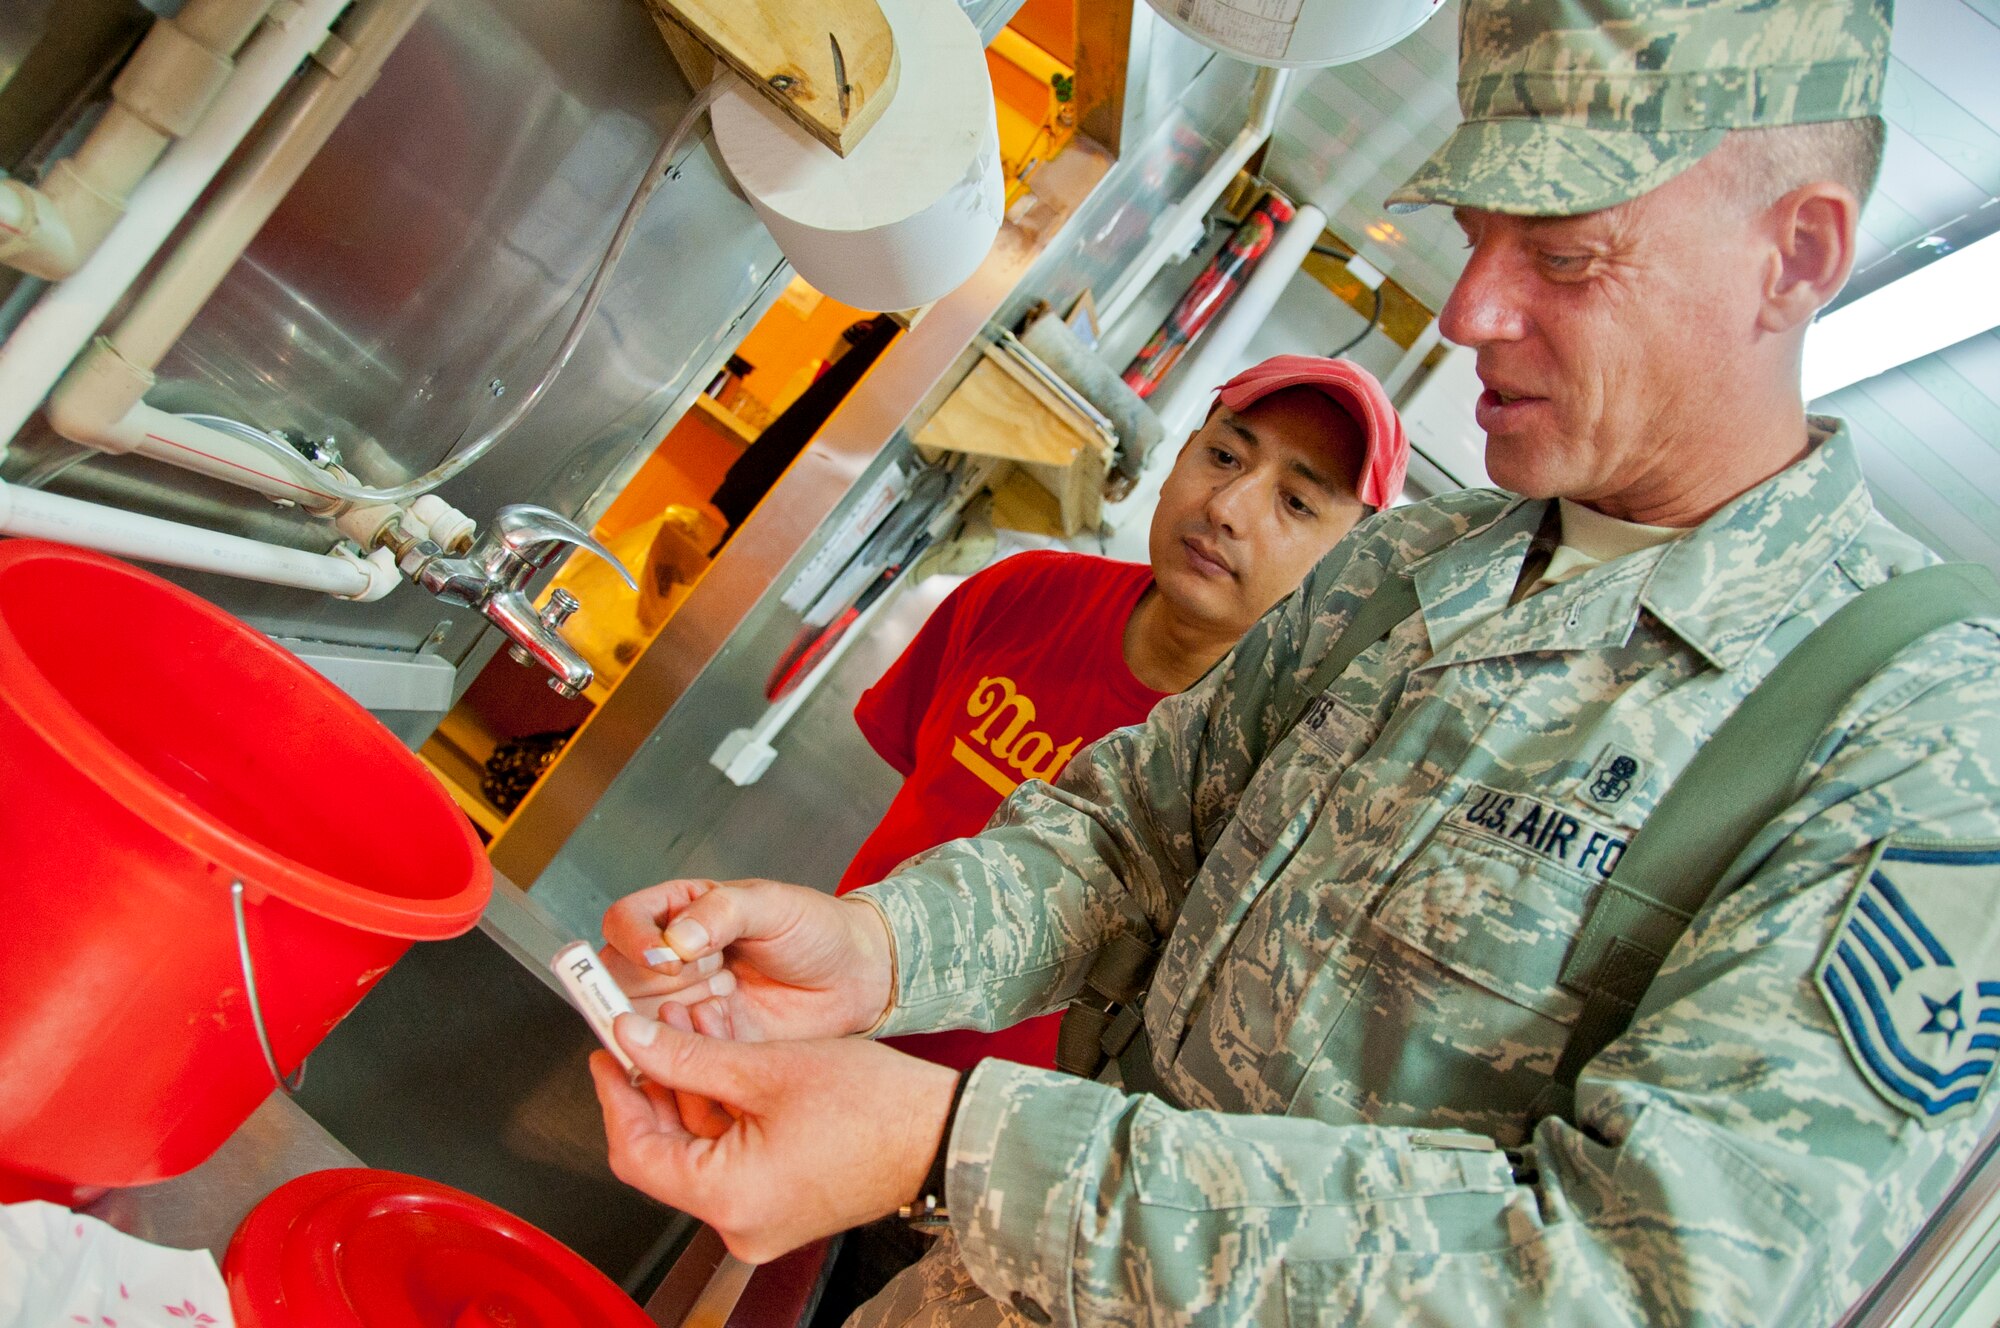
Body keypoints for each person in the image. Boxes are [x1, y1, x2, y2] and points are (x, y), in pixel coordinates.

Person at [588, 0, 2000, 1323]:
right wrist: (882, 951)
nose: (1469, 311)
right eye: (1480, 231)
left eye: (1564, 253)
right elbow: (1131, 834)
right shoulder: (1421, 563)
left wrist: (958, 1147)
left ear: (1798, 255)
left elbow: (1629, 1282)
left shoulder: (1920, 735)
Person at [842, 354, 1407, 1077]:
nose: (1226, 507)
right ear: (1179, 456)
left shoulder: (1296, 778)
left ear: (1352, 563)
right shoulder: (1023, 593)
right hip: (808, 1035)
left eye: (1296, 503)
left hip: (975, 1153)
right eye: (1224, 456)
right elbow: (916, 794)